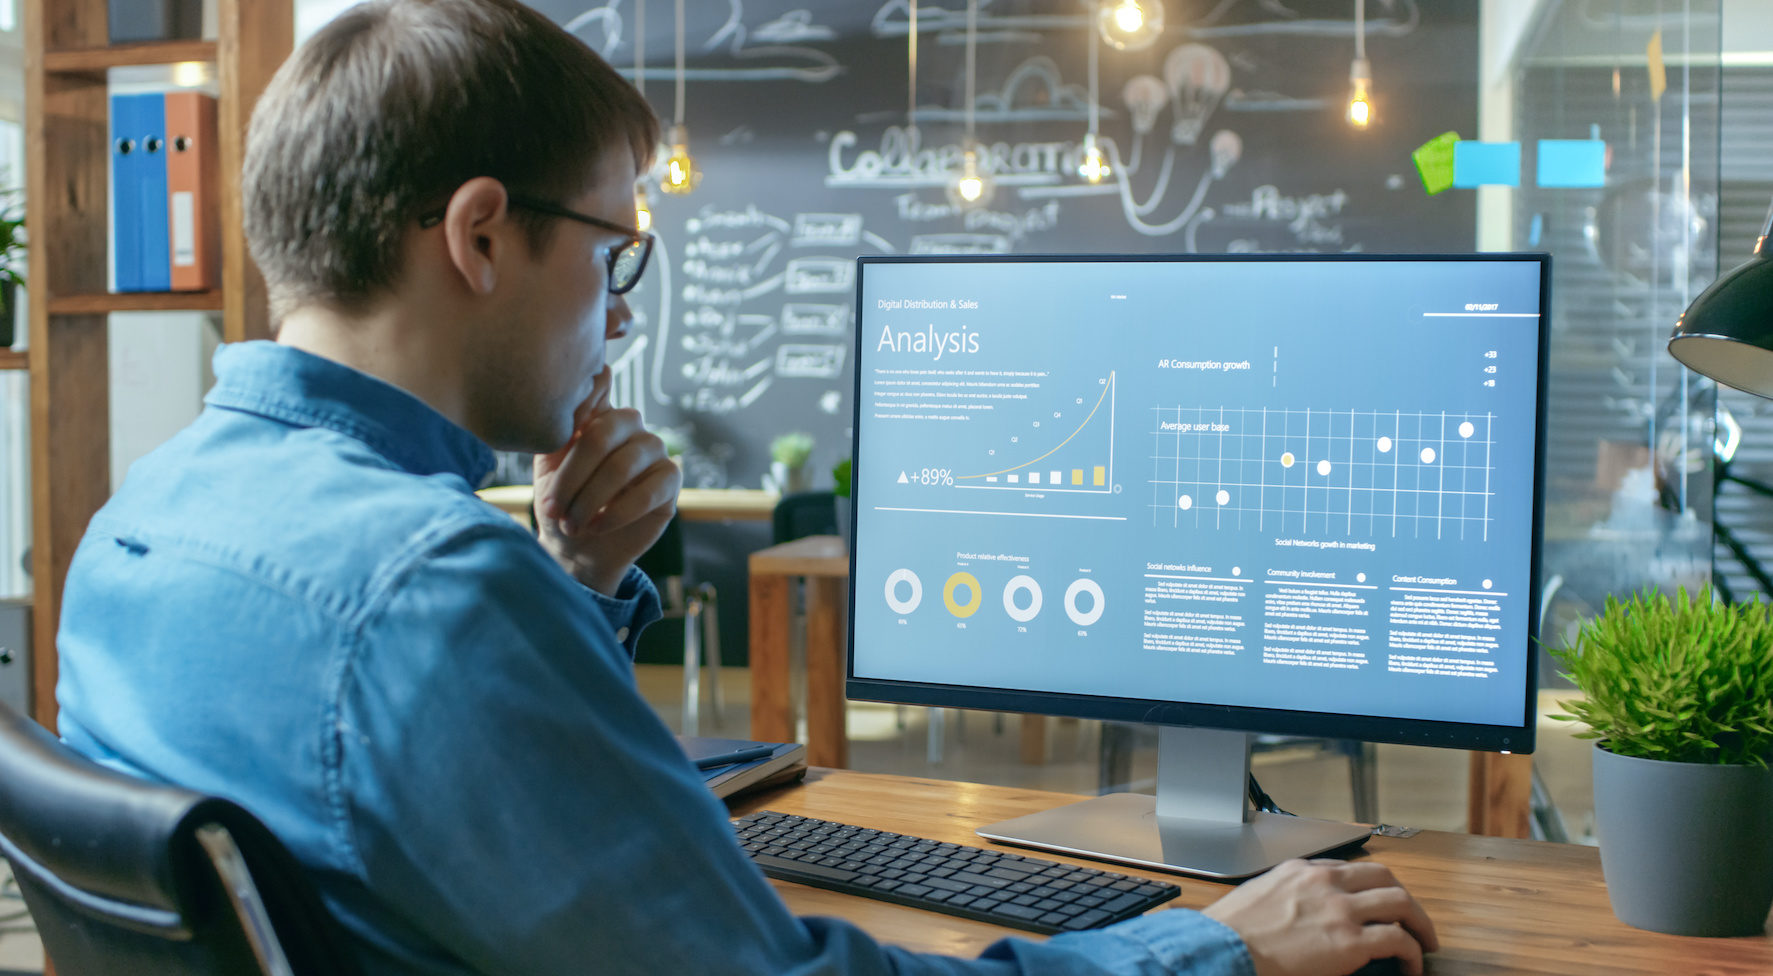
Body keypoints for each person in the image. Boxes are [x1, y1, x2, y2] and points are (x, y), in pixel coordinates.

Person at [54, 2, 1439, 974]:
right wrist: (1207, 948)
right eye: (614, 255)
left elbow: (395, 817)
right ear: (482, 235)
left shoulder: (136, 526)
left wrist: (570, 587)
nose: (616, 314)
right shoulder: (433, 597)